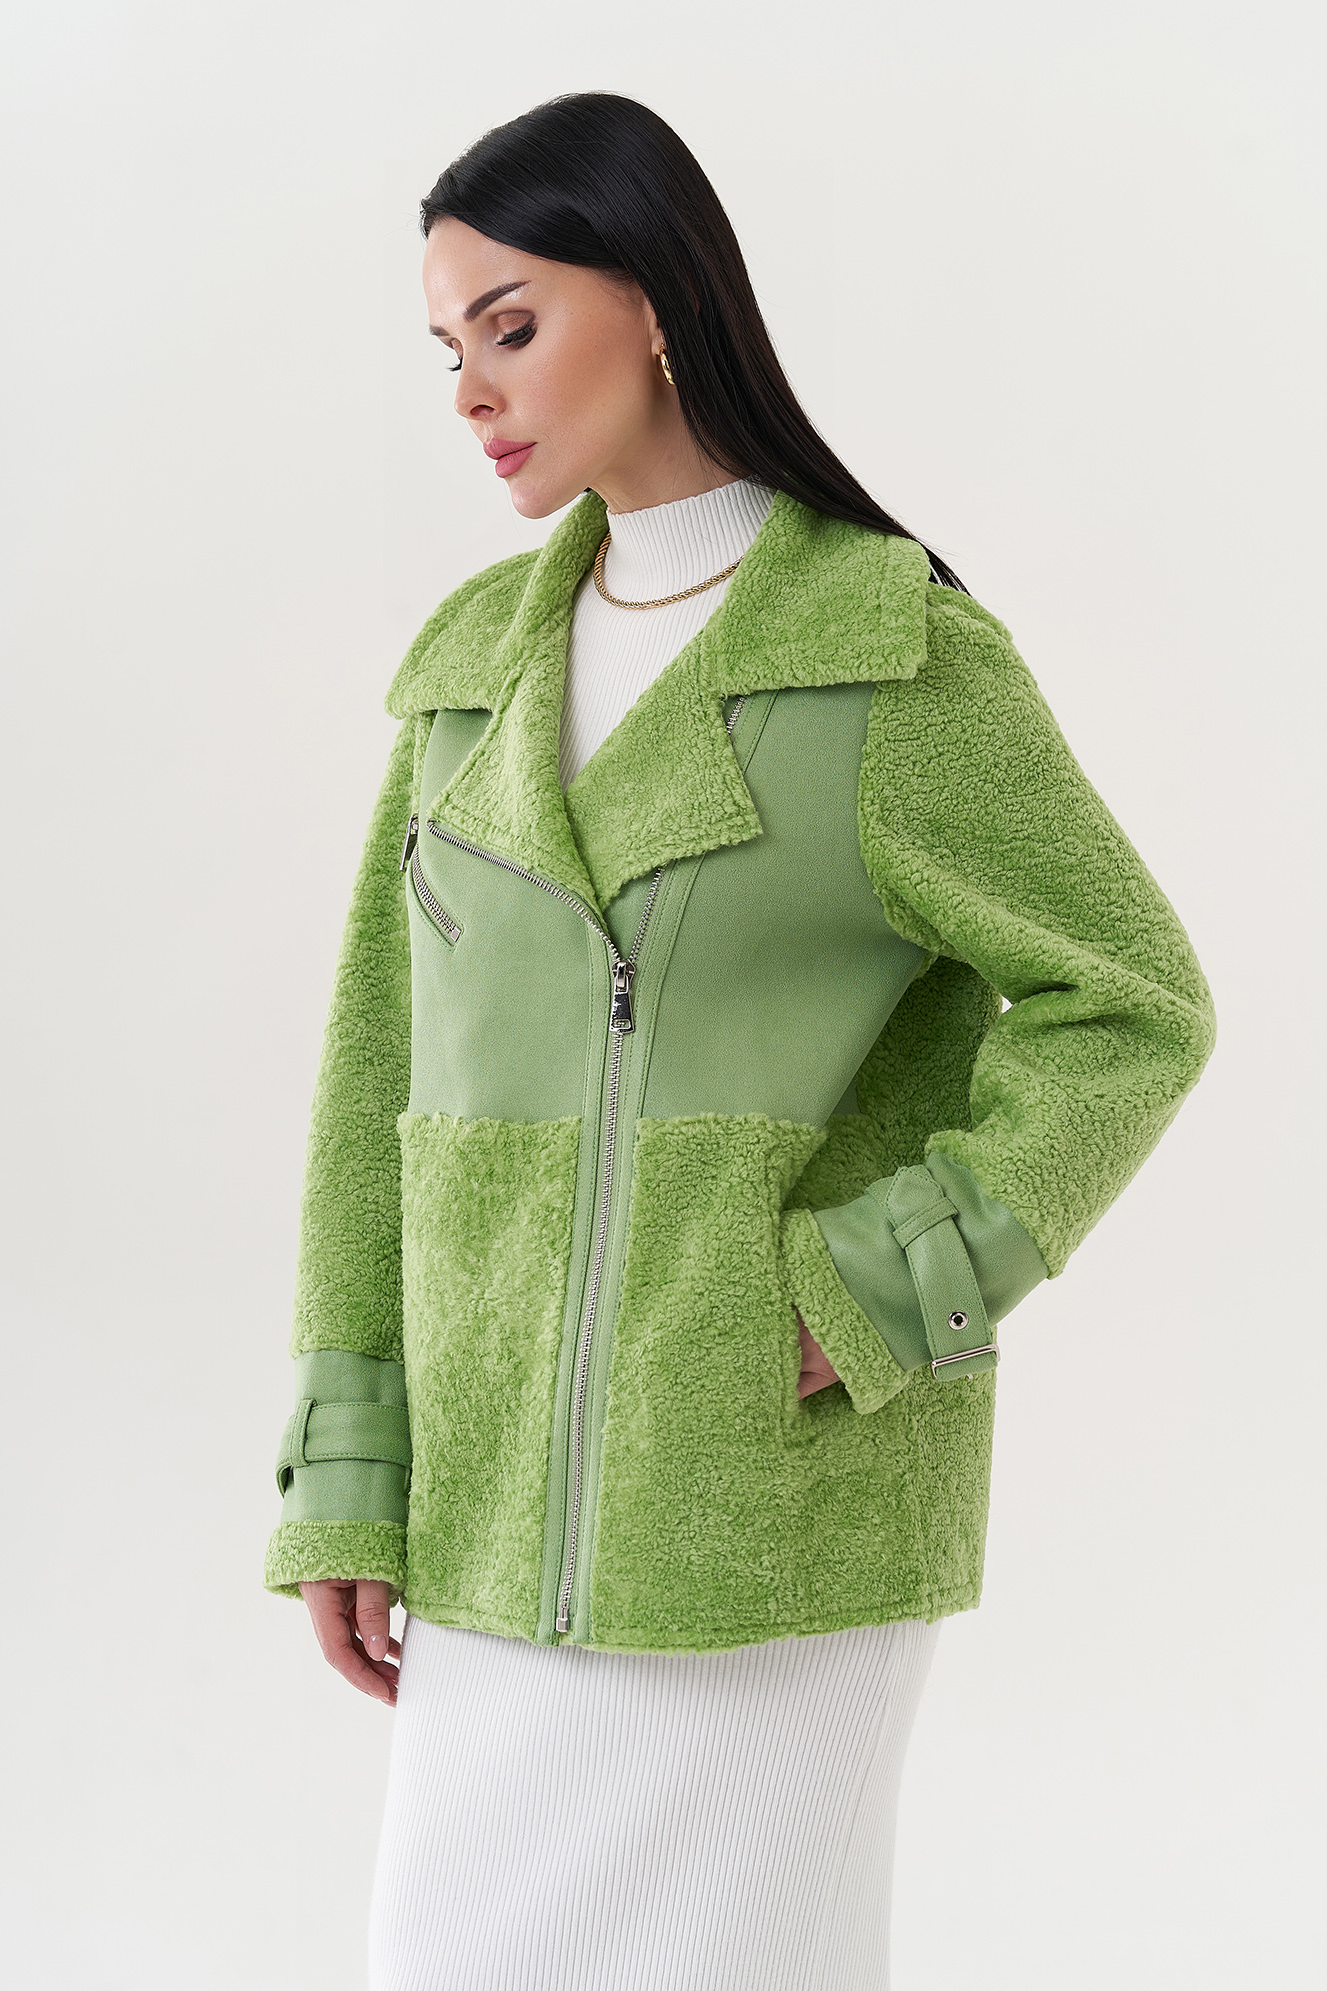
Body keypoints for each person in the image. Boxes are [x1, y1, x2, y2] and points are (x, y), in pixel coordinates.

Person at [264, 91, 1216, 1990]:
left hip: (774, 1505)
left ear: (656, 299)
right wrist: (350, 1466)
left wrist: (871, 1290)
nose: (472, 390)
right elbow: (379, 1084)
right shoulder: (468, 675)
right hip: (486, 1504)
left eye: (512, 324)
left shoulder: (890, 653)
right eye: (449, 348)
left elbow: (1133, 1004)